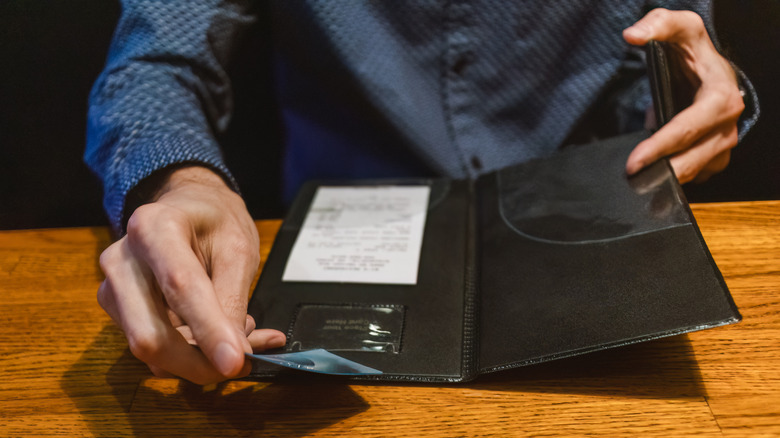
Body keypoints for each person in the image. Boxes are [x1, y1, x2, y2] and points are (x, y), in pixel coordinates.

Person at [86, 1, 755, 385]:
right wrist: (179, 180)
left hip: (593, 242)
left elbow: (683, 41)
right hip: (333, 253)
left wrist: (702, 94)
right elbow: (156, 62)